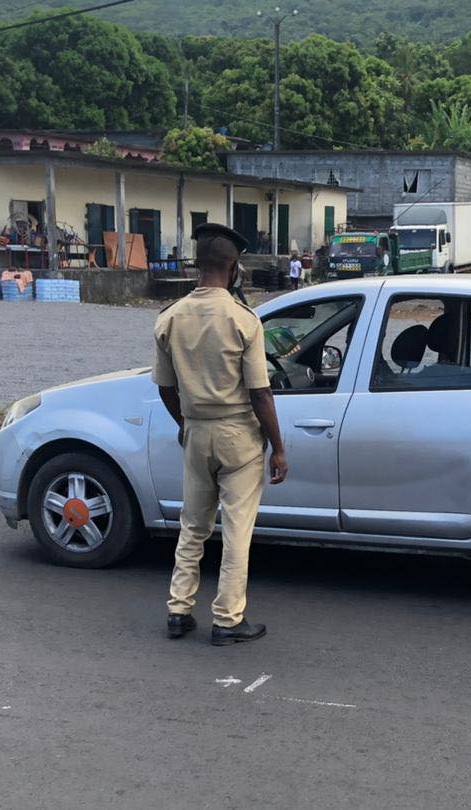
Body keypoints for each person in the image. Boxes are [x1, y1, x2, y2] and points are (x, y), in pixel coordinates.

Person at [152, 223, 288, 646]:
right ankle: (228, 619)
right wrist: (278, 448)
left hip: (196, 433)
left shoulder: (170, 318)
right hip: (238, 436)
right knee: (236, 530)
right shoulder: (243, 320)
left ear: (198, 265)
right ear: (234, 268)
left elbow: (165, 386)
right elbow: (260, 393)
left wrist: (185, 425)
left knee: (192, 525)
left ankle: (178, 610)